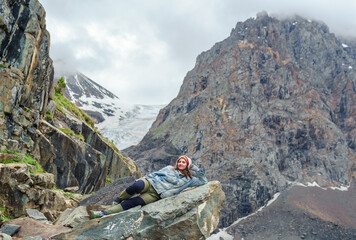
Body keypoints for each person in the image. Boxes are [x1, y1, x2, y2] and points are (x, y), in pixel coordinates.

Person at [89, 155, 208, 219]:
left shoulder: (190, 180)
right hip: (151, 183)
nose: (181, 163)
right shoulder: (168, 168)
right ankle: (118, 199)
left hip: (156, 195)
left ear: (188, 165)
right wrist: (142, 179)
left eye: (184, 162)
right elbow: (154, 174)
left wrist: (196, 169)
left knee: (132, 203)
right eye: (179, 161)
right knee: (136, 185)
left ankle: (102, 214)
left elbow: (204, 181)